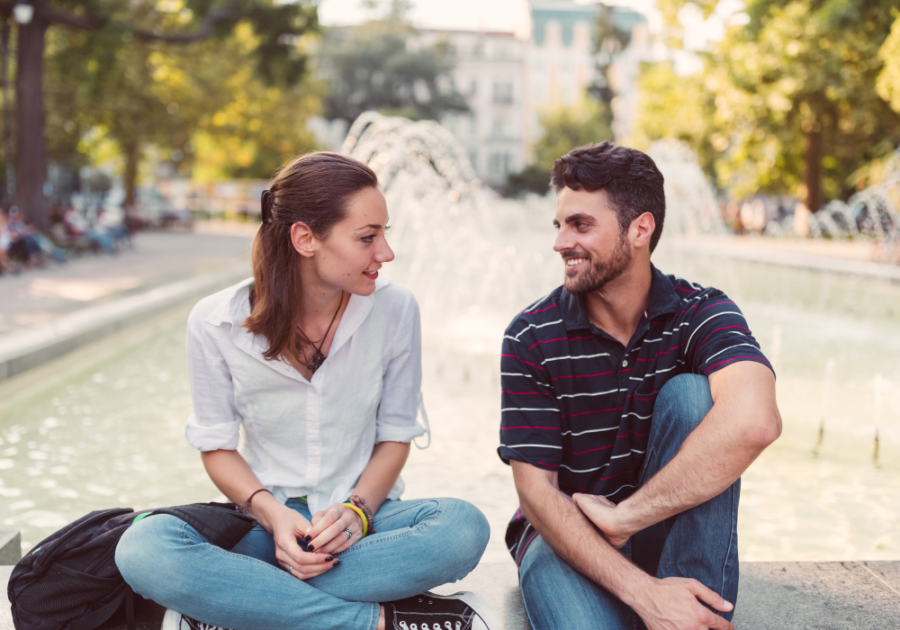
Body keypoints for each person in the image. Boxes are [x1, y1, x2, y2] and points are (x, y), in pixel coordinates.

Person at [115, 152, 501, 630]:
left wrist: (357, 512)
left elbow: (395, 436)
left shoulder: (396, 310)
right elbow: (216, 448)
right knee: (143, 549)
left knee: (462, 529)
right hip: (265, 525)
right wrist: (274, 516)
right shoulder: (215, 322)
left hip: (366, 523)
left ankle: (237, 606)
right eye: (367, 237)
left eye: (384, 233)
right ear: (305, 239)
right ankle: (376, 622)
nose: (386, 252)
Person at [498, 142, 781, 630]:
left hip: (665, 536)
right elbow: (536, 494)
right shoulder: (531, 335)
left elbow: (756, 421)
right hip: (566, 540)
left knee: (694, 398)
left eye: (580, 225)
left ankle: (690, 615)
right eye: (559, 224)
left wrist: (625, 519)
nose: (561, 242)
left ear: (640, 229)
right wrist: (645, 594)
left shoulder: (700, 311)